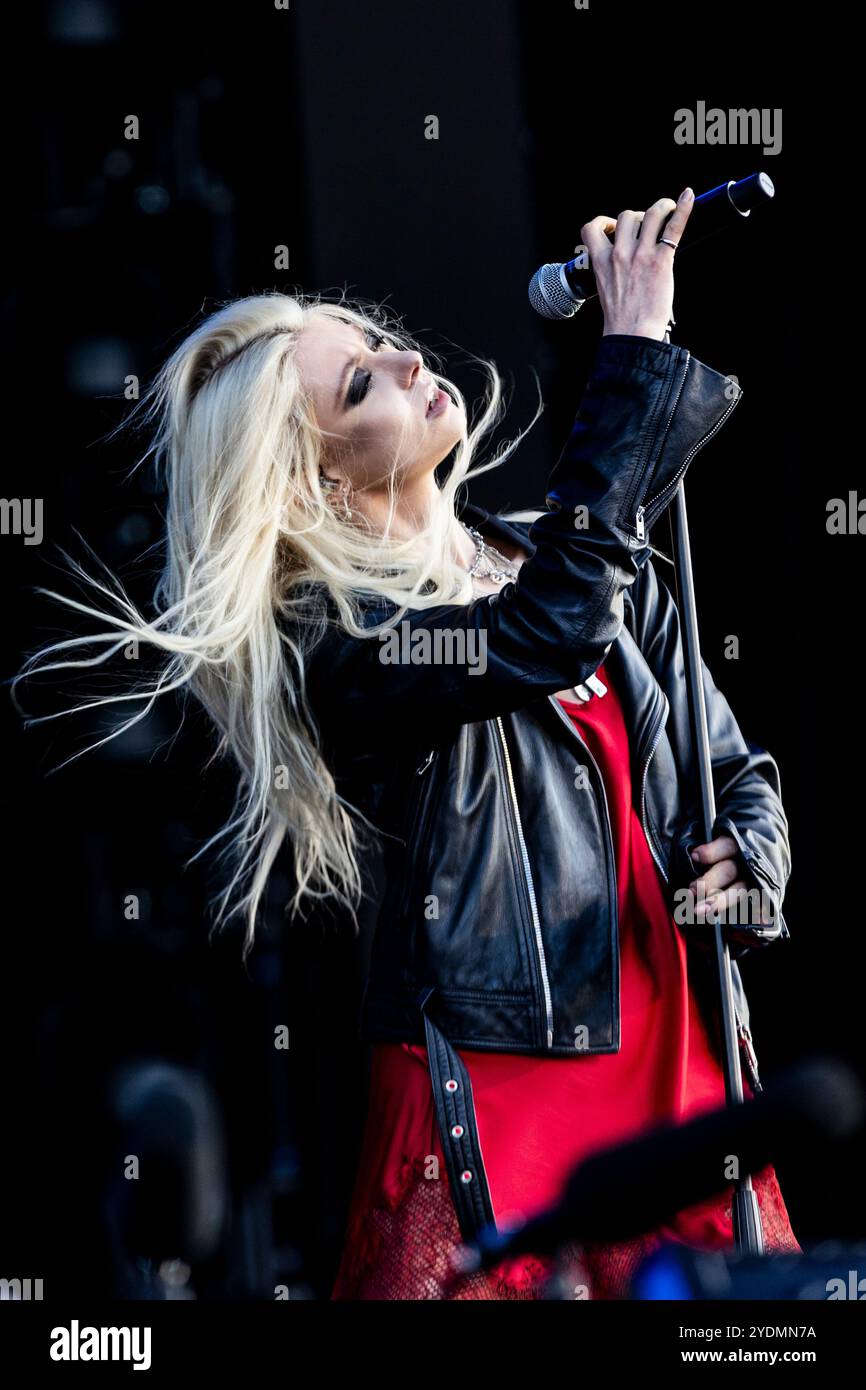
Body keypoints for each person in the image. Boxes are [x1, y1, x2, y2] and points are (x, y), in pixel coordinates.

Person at [17, 188, 799, 1300]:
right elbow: (540, 634)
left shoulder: (573, 554)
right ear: (319, 474)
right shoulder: (343, 642)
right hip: (509, 1121)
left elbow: (731, 769)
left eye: (383, 344)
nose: (400, 364)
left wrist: (752, 861)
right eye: (357, 383)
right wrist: (628, 356)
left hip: (682, 1082)